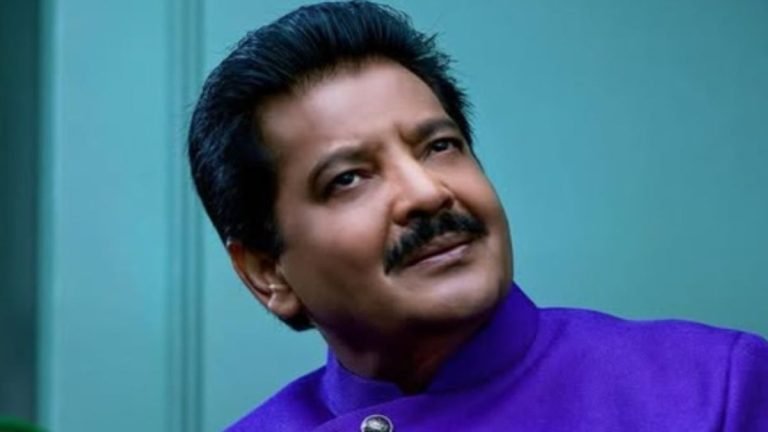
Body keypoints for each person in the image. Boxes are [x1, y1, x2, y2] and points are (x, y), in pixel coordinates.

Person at [187, 2, 768, 431]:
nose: (426, 193)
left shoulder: (713, 390)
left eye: (440, 146)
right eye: (349, 178)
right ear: (268, 271)